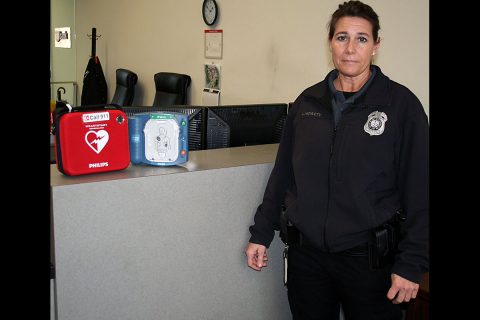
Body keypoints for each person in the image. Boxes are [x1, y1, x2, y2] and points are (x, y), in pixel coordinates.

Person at [244, 1, 429, 319]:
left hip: (369, 262)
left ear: (376, 46)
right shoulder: (307, 103)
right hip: (308, 260)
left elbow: (421, 190)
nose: (350, 48)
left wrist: (412, 263)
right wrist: (261, 233)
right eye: (342, 37)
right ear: (330, 42)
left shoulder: (401, 106)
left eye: (361, 38)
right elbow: (283, 175)